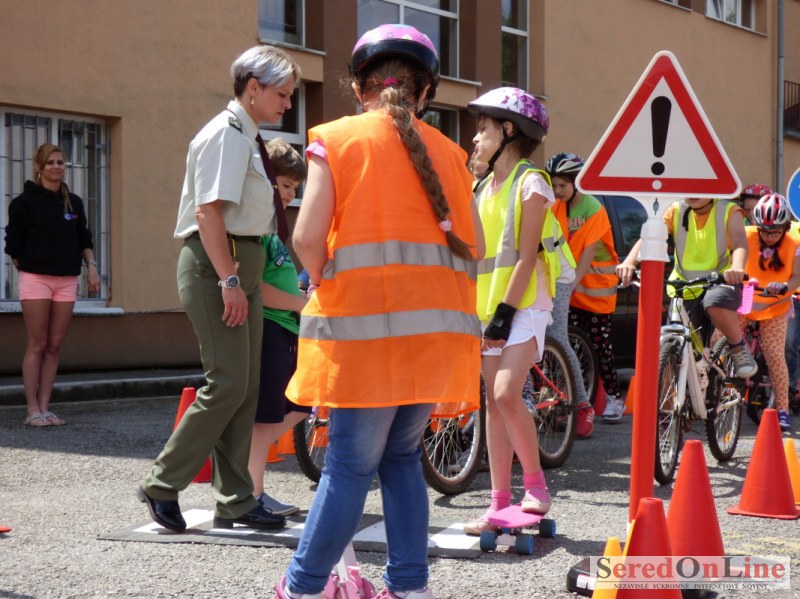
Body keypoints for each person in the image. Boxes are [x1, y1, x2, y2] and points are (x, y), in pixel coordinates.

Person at [276, 24, 483, 599]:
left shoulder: (337, 140)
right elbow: (477, 247)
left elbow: (305, 237)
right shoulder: (452, 155)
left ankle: (303, 587)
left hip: (362, 334)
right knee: (401, 458)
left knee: (348, 466)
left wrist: (322, 277)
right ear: (425, 92)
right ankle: (409, 588)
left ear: (357, 85)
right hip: (432, 340)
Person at [138, 45, 301, 534]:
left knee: (245, 386)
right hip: (218, 265)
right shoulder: (226, 135)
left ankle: (235, 500)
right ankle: (162, 483)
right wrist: (230, 279)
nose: (288, 103)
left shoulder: (246, 136)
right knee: (227, 381)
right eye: (282, 94)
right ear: (253, 87)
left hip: (239, 263)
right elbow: (208, 212)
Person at [462, 86, 562, 535]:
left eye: (482, 129)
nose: (475, 138)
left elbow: (525, 257)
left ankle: (536, 486)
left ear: (507, 130)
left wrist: (504, 313)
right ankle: (498, 503)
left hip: (524, 303)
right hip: (489, 306)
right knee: (492, 402)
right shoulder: (481, 186)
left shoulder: (531, 182)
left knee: (505, 394)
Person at [4, 143, 101, 427]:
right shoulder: (24, 203)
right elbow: (13, 245)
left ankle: (45, 408)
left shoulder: (74, 202)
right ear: (39, 168)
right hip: (36, 280)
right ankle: (32, 410)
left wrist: (91, 268)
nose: (57, 167)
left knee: (55, 345)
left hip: (67, 281)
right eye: (51, 163)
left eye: (60, 162)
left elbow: (84, 240)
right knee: (38, 343)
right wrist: (29, 266)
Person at [617, 196, 757, 379]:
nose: (694, 193)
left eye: (701, 187)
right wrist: (629, 262)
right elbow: (650, 237)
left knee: (714, 302)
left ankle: (737, 347)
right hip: (684, 284)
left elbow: (740, 242)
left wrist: (737, 267)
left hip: (720, 280)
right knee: (680, 344)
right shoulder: (674, 209)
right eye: (691, 187)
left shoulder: (729, 210)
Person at [246, 138, 310, 516]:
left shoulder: (273, 227)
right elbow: (257, 288)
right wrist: (301, 303)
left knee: (301, 402)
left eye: (295, 188)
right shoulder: (259, 227)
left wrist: (299, 296)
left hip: (285, 329)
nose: (290, 194)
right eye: (285, 185)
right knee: (266, 415)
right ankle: (253, 493)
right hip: (270, 328)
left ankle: (244, 467)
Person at [546, 153, 623, 423]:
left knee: (601, 346)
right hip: (570, 288)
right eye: (554, 185)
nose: (557, 191)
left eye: (562, 185)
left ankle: (614, 398)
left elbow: (589, 251)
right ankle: (569, 396)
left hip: (595, 290)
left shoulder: (593, 208)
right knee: (567, 343)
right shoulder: (555, 206)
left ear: (576, 182)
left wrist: (570, 284)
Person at [742, 194, 800, 431]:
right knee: (720, 339)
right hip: (747, 295)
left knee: (775, 354)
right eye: (764, 231)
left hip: (777, 301)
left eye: (775, 232)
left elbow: (797, 277)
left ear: (786, 227)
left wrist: (785, 286)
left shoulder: (795, 243)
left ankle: (783, 409)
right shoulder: (746, 236)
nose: (768, 237)